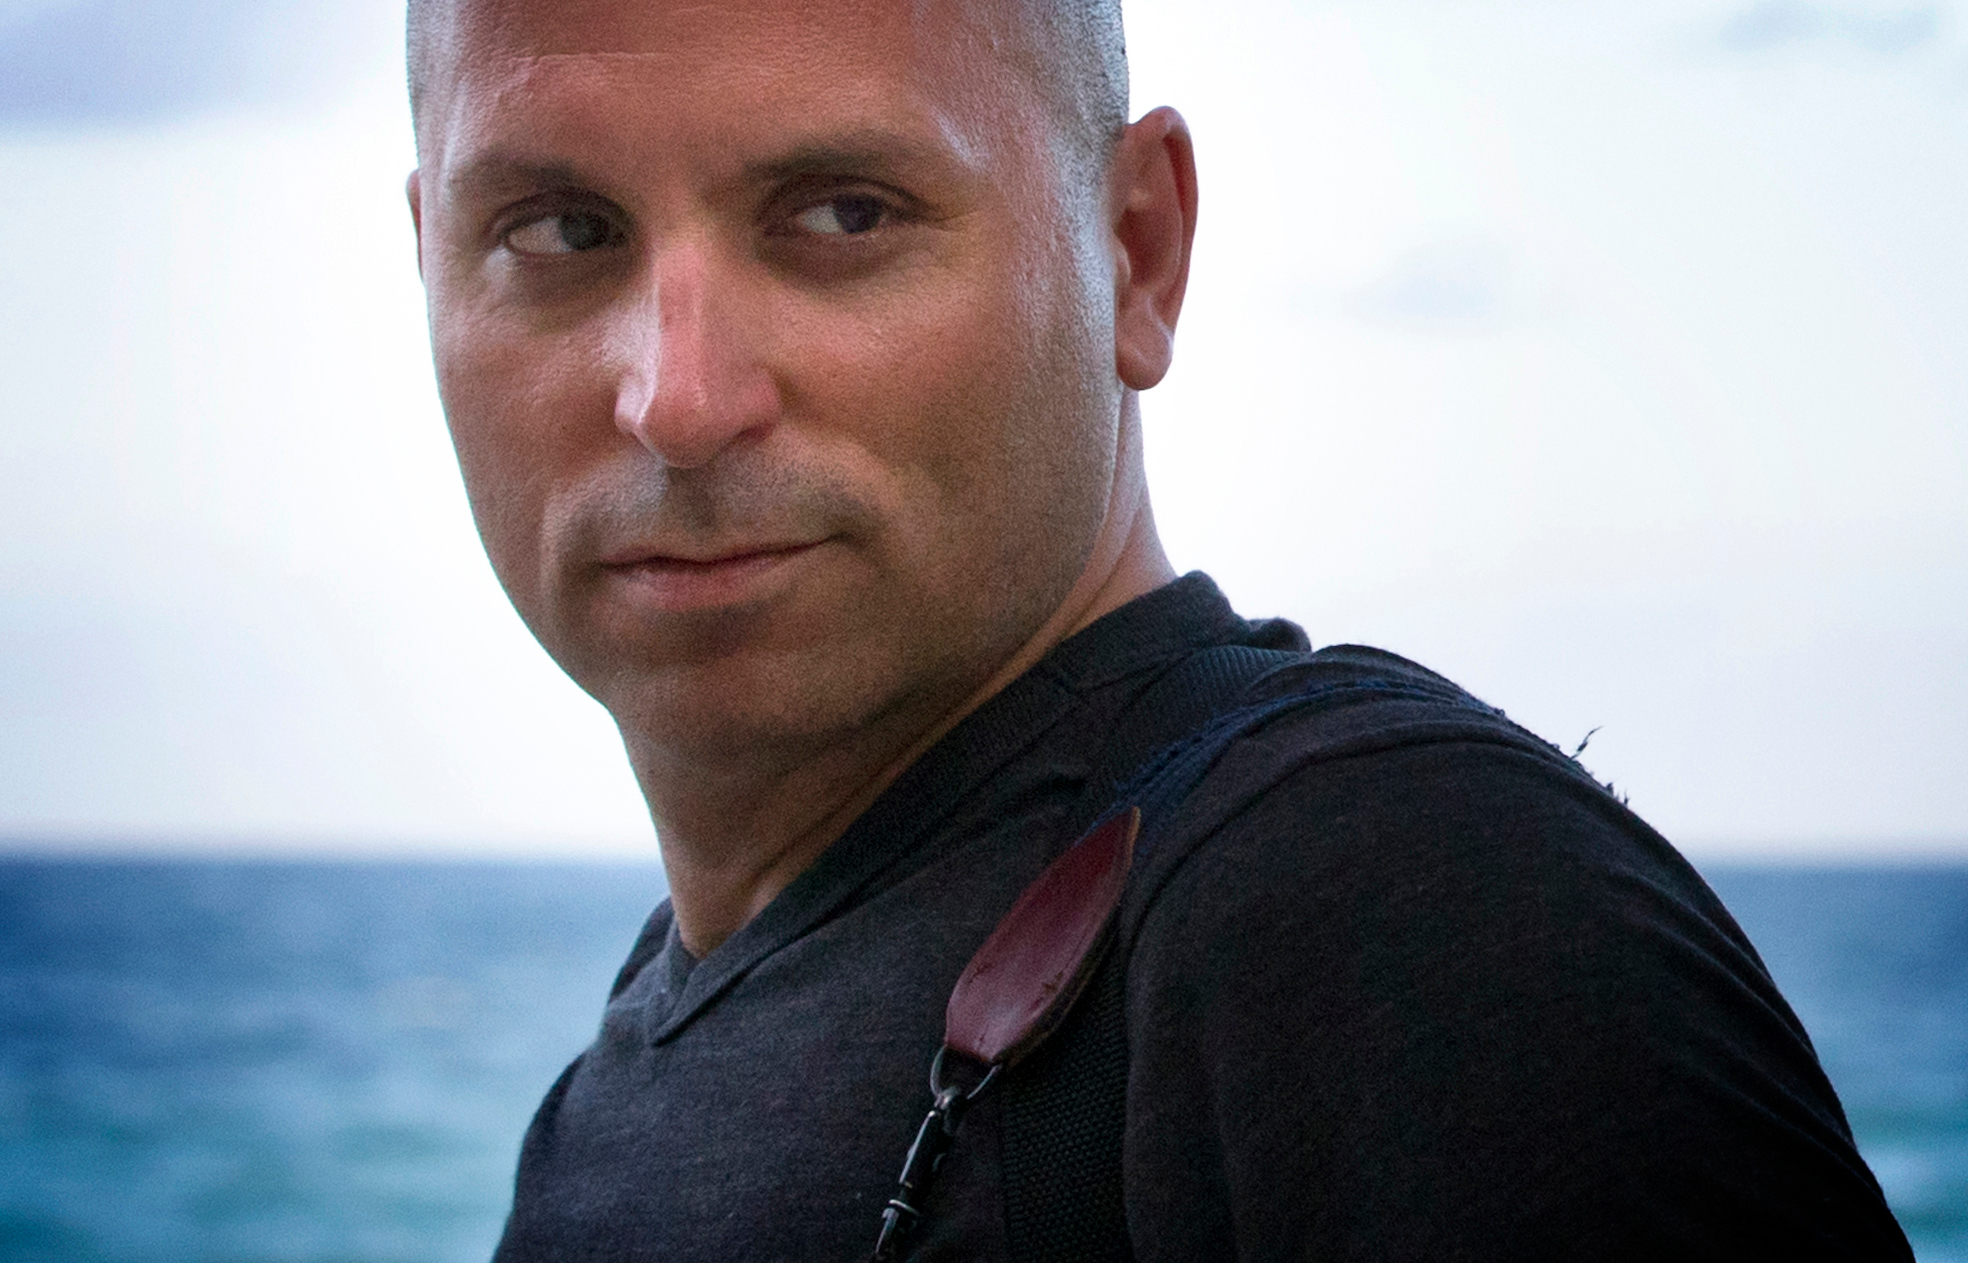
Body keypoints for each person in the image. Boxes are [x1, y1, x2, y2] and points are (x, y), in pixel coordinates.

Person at [405, 0, 1913, 1258]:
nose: (677, 399)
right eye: (561, 232)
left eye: (844, 213)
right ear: (427, 264)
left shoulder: (1395, 909)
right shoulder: (639, 1064)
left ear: (1135, 251)